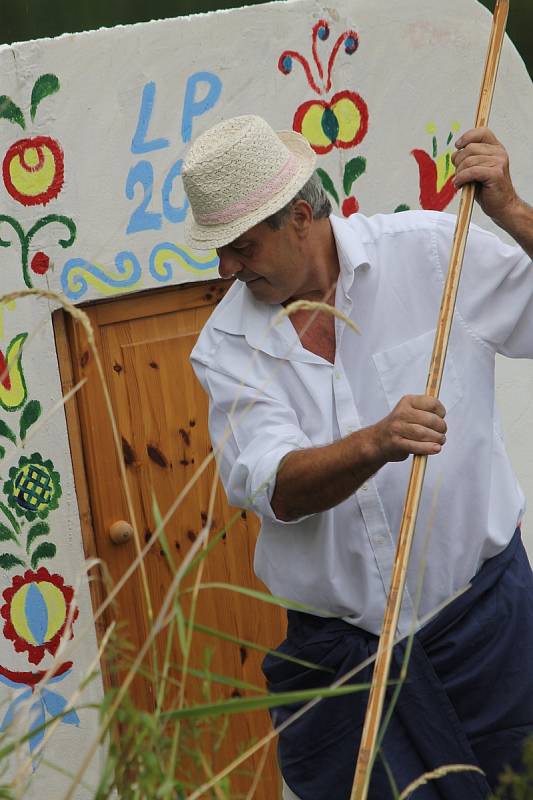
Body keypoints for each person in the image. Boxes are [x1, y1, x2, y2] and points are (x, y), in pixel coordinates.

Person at [183, 114, 533, 799]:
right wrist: (373, 444)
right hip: (339, 667)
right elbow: (274, 487)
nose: (226, 268)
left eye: (241, 245)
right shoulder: (224, 345)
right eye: (218, 250)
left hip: (485, 631)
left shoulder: (434, 251)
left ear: (302, 217)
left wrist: (513, 211)